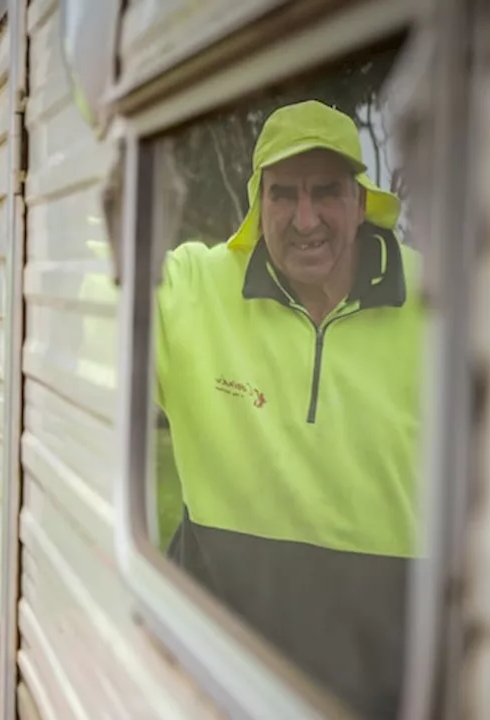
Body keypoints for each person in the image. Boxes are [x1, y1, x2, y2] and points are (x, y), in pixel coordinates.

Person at [155, 100, 424, 718]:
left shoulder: (444, 304)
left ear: (360, 203)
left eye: (326, 192)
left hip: (380, 694)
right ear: (258, 204)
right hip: (212, 687)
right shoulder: (192, 289)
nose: (306, 220)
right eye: (284, 195)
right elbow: (76, 274)